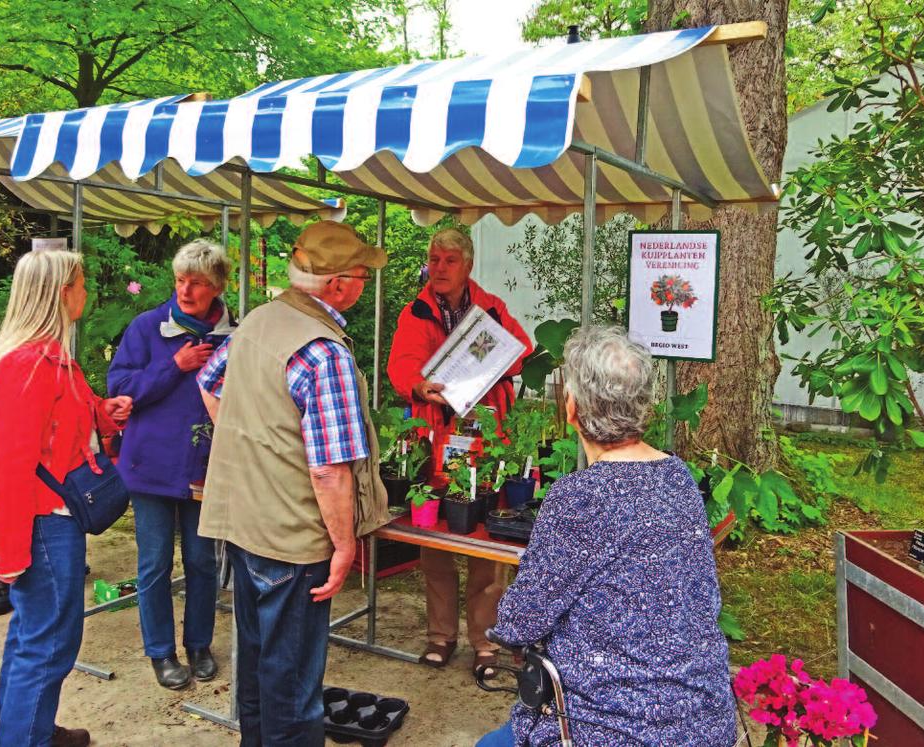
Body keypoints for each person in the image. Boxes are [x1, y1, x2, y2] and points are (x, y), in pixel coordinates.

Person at [476, 326, 737, 747]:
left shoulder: (579, 498)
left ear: (572, 408)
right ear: (644, 406)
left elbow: (521, 621)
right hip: (704, 721)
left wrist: (496, 606)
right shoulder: (678, 478)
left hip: (609, 730)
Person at [198, 220, 390, 746]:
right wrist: (346, 543)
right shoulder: (324, 352)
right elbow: (329, 468)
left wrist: (260, 452)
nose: (363, 285)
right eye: (360, 275)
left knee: (259, 663)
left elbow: (210, 384)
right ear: (338, 284)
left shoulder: (258, 321)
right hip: (294, 535)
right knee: (295, 684)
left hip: (244, 519)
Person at [0, 250, 132, 747]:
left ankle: (32, 730)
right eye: (82, 283)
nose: (87, 292)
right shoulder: (30, 365)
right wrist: (9, 554)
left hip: (48, 518)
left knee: (34, 636)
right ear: (63, 292)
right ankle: (26, 737)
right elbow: (10, 468)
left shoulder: (46, 358)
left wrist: (105, 413)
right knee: (49, 643)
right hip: (43, 522)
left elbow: (59, 427)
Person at [386, 228, 532, 675]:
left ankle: (485, 643)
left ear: (467, 264)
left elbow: (520, 349)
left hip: (482, 440)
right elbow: (401, 363)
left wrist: (490, 368)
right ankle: (440, 636)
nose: (439, 268)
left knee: (485, 547)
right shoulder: (416, 310)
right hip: (434, 436)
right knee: (437, 542)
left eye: (449, 260)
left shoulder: (490, 308)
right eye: (434, 259)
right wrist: (418, 384)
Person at [106, 239, 235, 690]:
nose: (185, 291)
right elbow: (119, 387)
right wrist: (175, 365)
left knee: (202, 562)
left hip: (205, 469)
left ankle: (199, 644)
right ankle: (160, 652)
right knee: (155, 564)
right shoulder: (146, 327)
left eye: (197, 284)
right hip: (150, 467)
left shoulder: (232, 336)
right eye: (181, 281)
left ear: (217, 286)